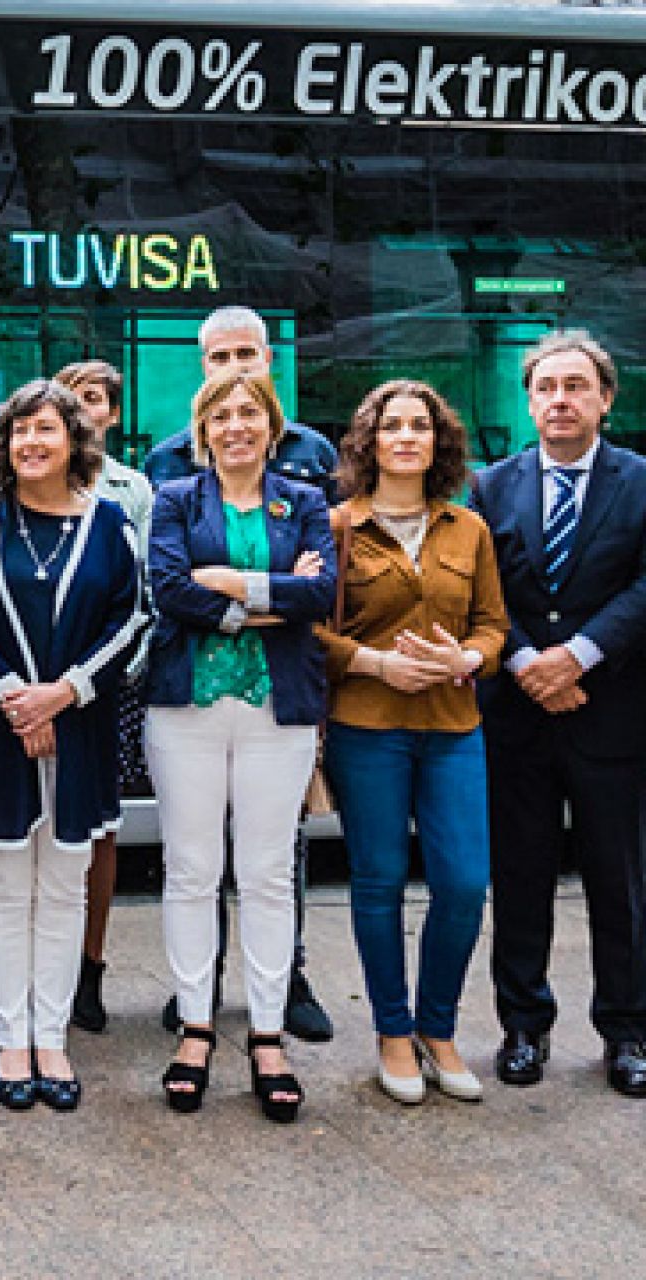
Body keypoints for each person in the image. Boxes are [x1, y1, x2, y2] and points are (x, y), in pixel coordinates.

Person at [0, 380, 146, 1114]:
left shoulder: (111, 524)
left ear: (75, 443)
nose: (33, 442)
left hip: (79, 728)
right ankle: (11, 1040)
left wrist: (65, 695)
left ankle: (52, 1037)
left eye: (48, 430)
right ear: (5, 445)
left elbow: (133, 621)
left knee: (64, 888)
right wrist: (13, 696)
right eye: (20, 430)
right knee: (0, 888)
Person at [143, 306, 337, 1043]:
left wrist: (232, 582)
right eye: (218, 360)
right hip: (192, 692)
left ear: (269, 363)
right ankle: (198, 997)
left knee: (271, 863)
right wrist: (261, 599)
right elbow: (170, 588)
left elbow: (322, 589)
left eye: (246, 358)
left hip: (281, 696)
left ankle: (281, 991)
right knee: (192, 862)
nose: (234, 380)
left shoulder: (313, 462)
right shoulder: (169, 472)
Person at [317, 381, 507, 1105]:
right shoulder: (336, 526)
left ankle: (439, 1028)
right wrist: (376, 663)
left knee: (463, 884)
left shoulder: (469, 529)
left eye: (418, 427)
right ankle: (392, 1033)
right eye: (390, 426)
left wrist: (469, 659)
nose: (405, 437)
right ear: (369, 442)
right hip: (369, 729)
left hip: (453, 727)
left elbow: (493, 625)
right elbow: (312, 629)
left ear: (438, 442)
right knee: (379, 883)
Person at [472, 330, 646, 1097]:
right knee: (520, 876)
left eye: (576, 386)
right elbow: (478, 596)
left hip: (611, 715)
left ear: (606, 398)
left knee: (622, 881)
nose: (561, 401)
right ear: (529, 399)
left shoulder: (641, 481)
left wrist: (578, 655)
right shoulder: (490, 487)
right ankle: (522, 1027)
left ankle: (629, 1031)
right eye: (546, 388)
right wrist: (523, 662)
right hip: (517, 717)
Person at [53, 359, 153, 1034]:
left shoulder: (134, 489)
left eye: (93, 400)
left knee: (99, 831)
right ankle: (43, 970)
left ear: (111, 415)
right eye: (69, 401)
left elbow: (143, 596)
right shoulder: (25, 478)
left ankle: (89, 972)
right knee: (35, 827)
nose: (82, 411)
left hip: (110, 686)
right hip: (35, 683)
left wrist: (108, 677)